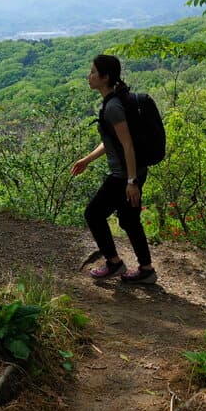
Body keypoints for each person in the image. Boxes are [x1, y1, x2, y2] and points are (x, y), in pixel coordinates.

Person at [70, 54, 157, 284]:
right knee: (129, 221)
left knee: (93, 214)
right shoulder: (118, 99)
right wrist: (87, 160)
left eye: (93, 72)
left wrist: (130, 182)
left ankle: (114, 263)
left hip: (124, 177)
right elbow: (114, 141)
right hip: (136, 171)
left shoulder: (113, 107)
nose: (89, 76)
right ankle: (146, 270)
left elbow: (127, 144)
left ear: (105, 77)